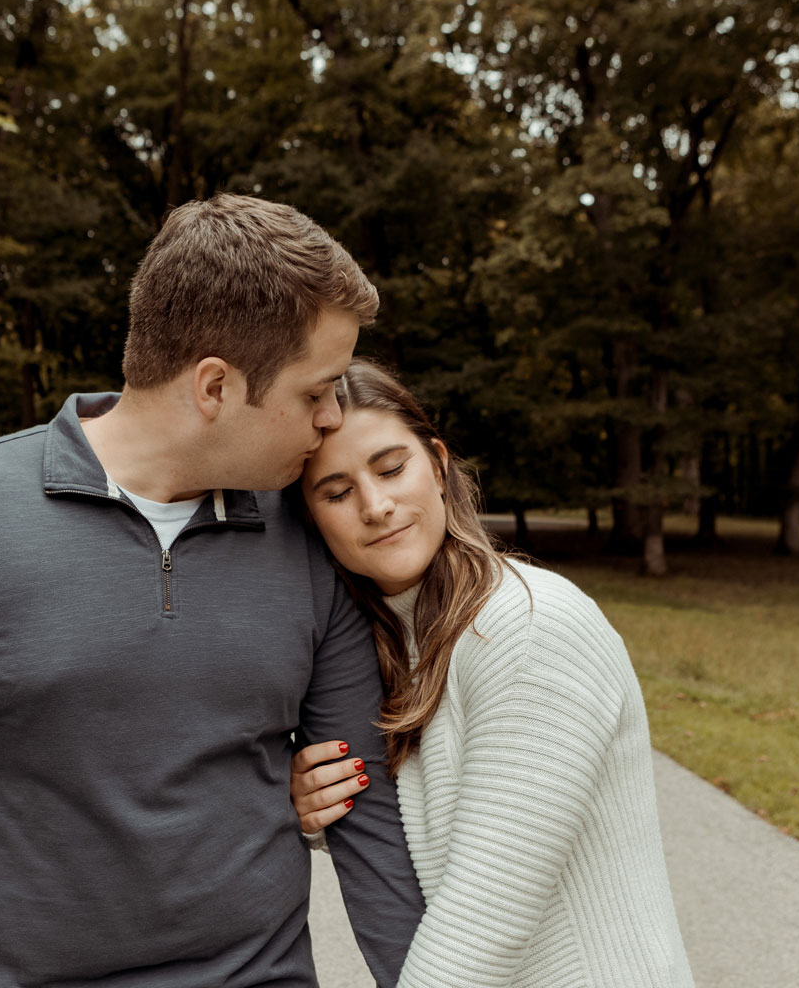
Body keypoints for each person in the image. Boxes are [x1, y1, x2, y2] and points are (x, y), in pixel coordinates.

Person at [0, 195, 425, 988]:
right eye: (316, 392)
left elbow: (366, 807)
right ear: (214, 387)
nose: (332, 417)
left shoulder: (305, 534)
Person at [289, 360, 695, 987]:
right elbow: (445, 830)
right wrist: (319, 808)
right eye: (336, 492)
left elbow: (481, 926)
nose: (376, 506)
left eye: (392, 467)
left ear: (439, 464)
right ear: (311, 518)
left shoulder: (528, 626)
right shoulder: (390, 648)